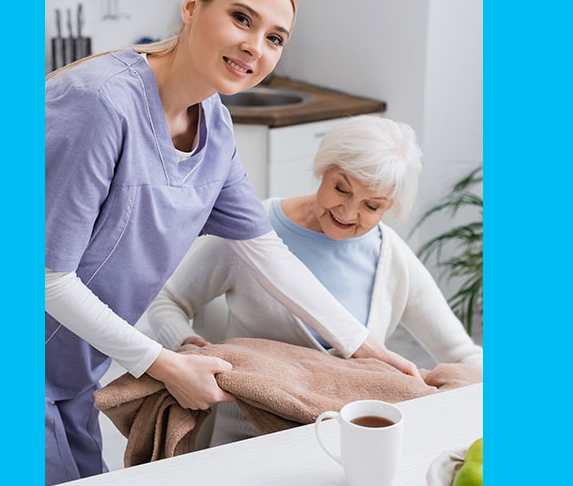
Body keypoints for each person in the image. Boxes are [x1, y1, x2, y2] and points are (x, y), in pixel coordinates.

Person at [44, 0, 419, 485]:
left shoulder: (214, 126)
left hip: (71, 374)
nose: (254, 46)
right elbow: (48, 276)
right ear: (193, 5)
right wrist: (164, 363)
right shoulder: (100, 103)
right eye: (241, 18)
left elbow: (264, 250)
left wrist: (363, 347)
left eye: (274, 37)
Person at [145, 115, 484, 447]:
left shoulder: (392, 258)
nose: (348, 213)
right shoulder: (252, 232)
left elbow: (461, 353)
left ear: (389, 206)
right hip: (245, 438)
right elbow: (167, 299)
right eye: (341, 189)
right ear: (324, 168)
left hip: (347, 443)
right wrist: (187, 349)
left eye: (371, 205)